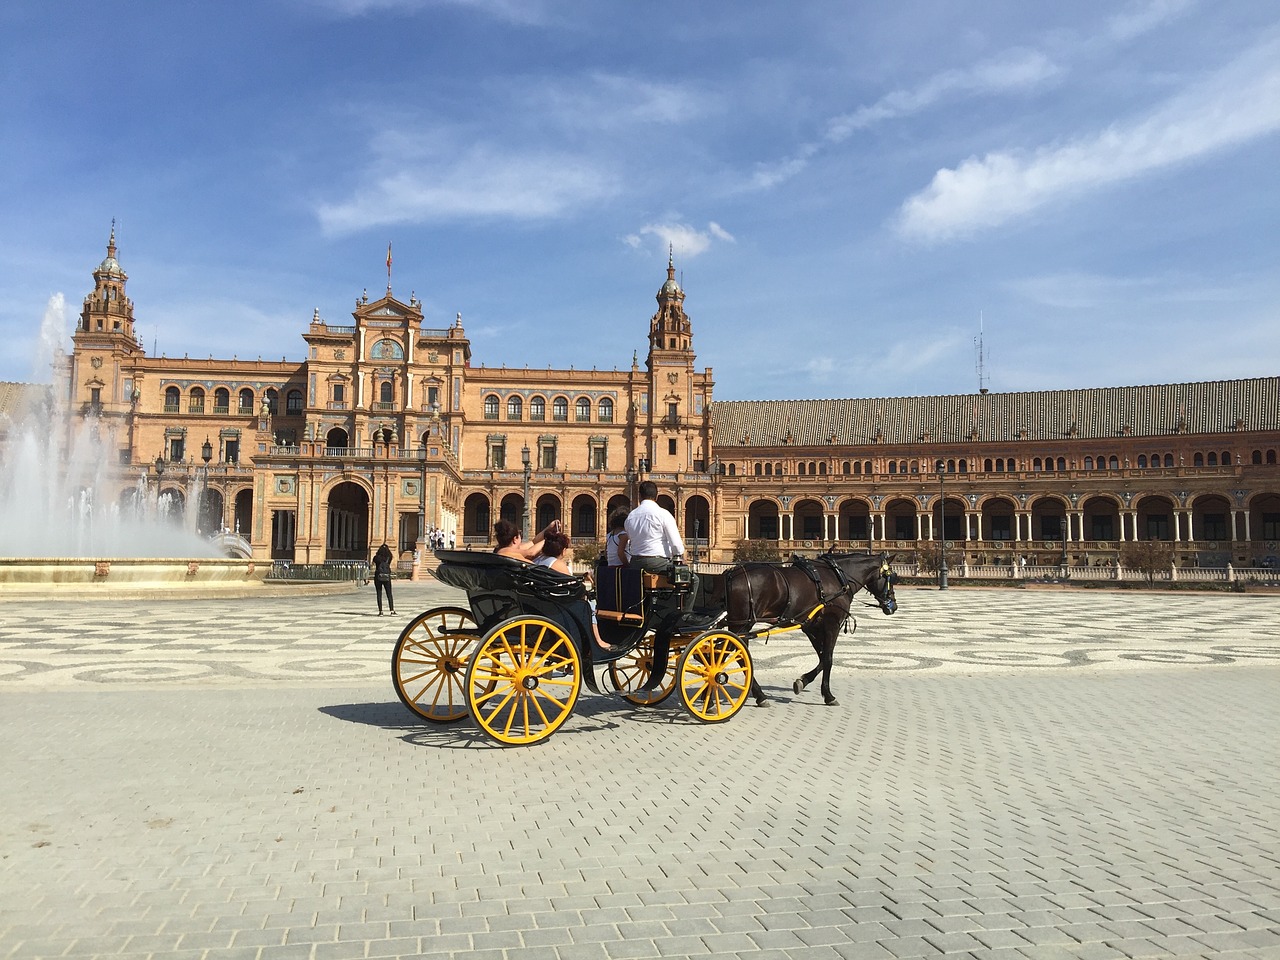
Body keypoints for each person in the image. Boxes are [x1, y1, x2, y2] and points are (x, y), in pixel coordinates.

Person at [625, 480, 698, 612]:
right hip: (656, 563)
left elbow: (630, 541)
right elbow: (676, 545)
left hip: (635, 563)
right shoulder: (663, 514)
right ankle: (685, 615)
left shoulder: (630, 516)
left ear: (639, 496)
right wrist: (680, 555)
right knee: (693, 578)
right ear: (657, 496)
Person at [493, 518, 557, 561]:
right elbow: (531, 553)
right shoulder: (504, 551)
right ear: (515, 539)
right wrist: (550, 538)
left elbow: (533, 542)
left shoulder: (507, 549)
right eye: (520, 534)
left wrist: (548, 528)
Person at [371, 543, 396, 616]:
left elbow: (373, 563)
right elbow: (390, 559)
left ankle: (380, 611)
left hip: (378, 576)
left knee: (379, 594)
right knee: (389, 594)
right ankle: (392, 610)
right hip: (386, 576)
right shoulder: (389, 557)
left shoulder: (376, 557)